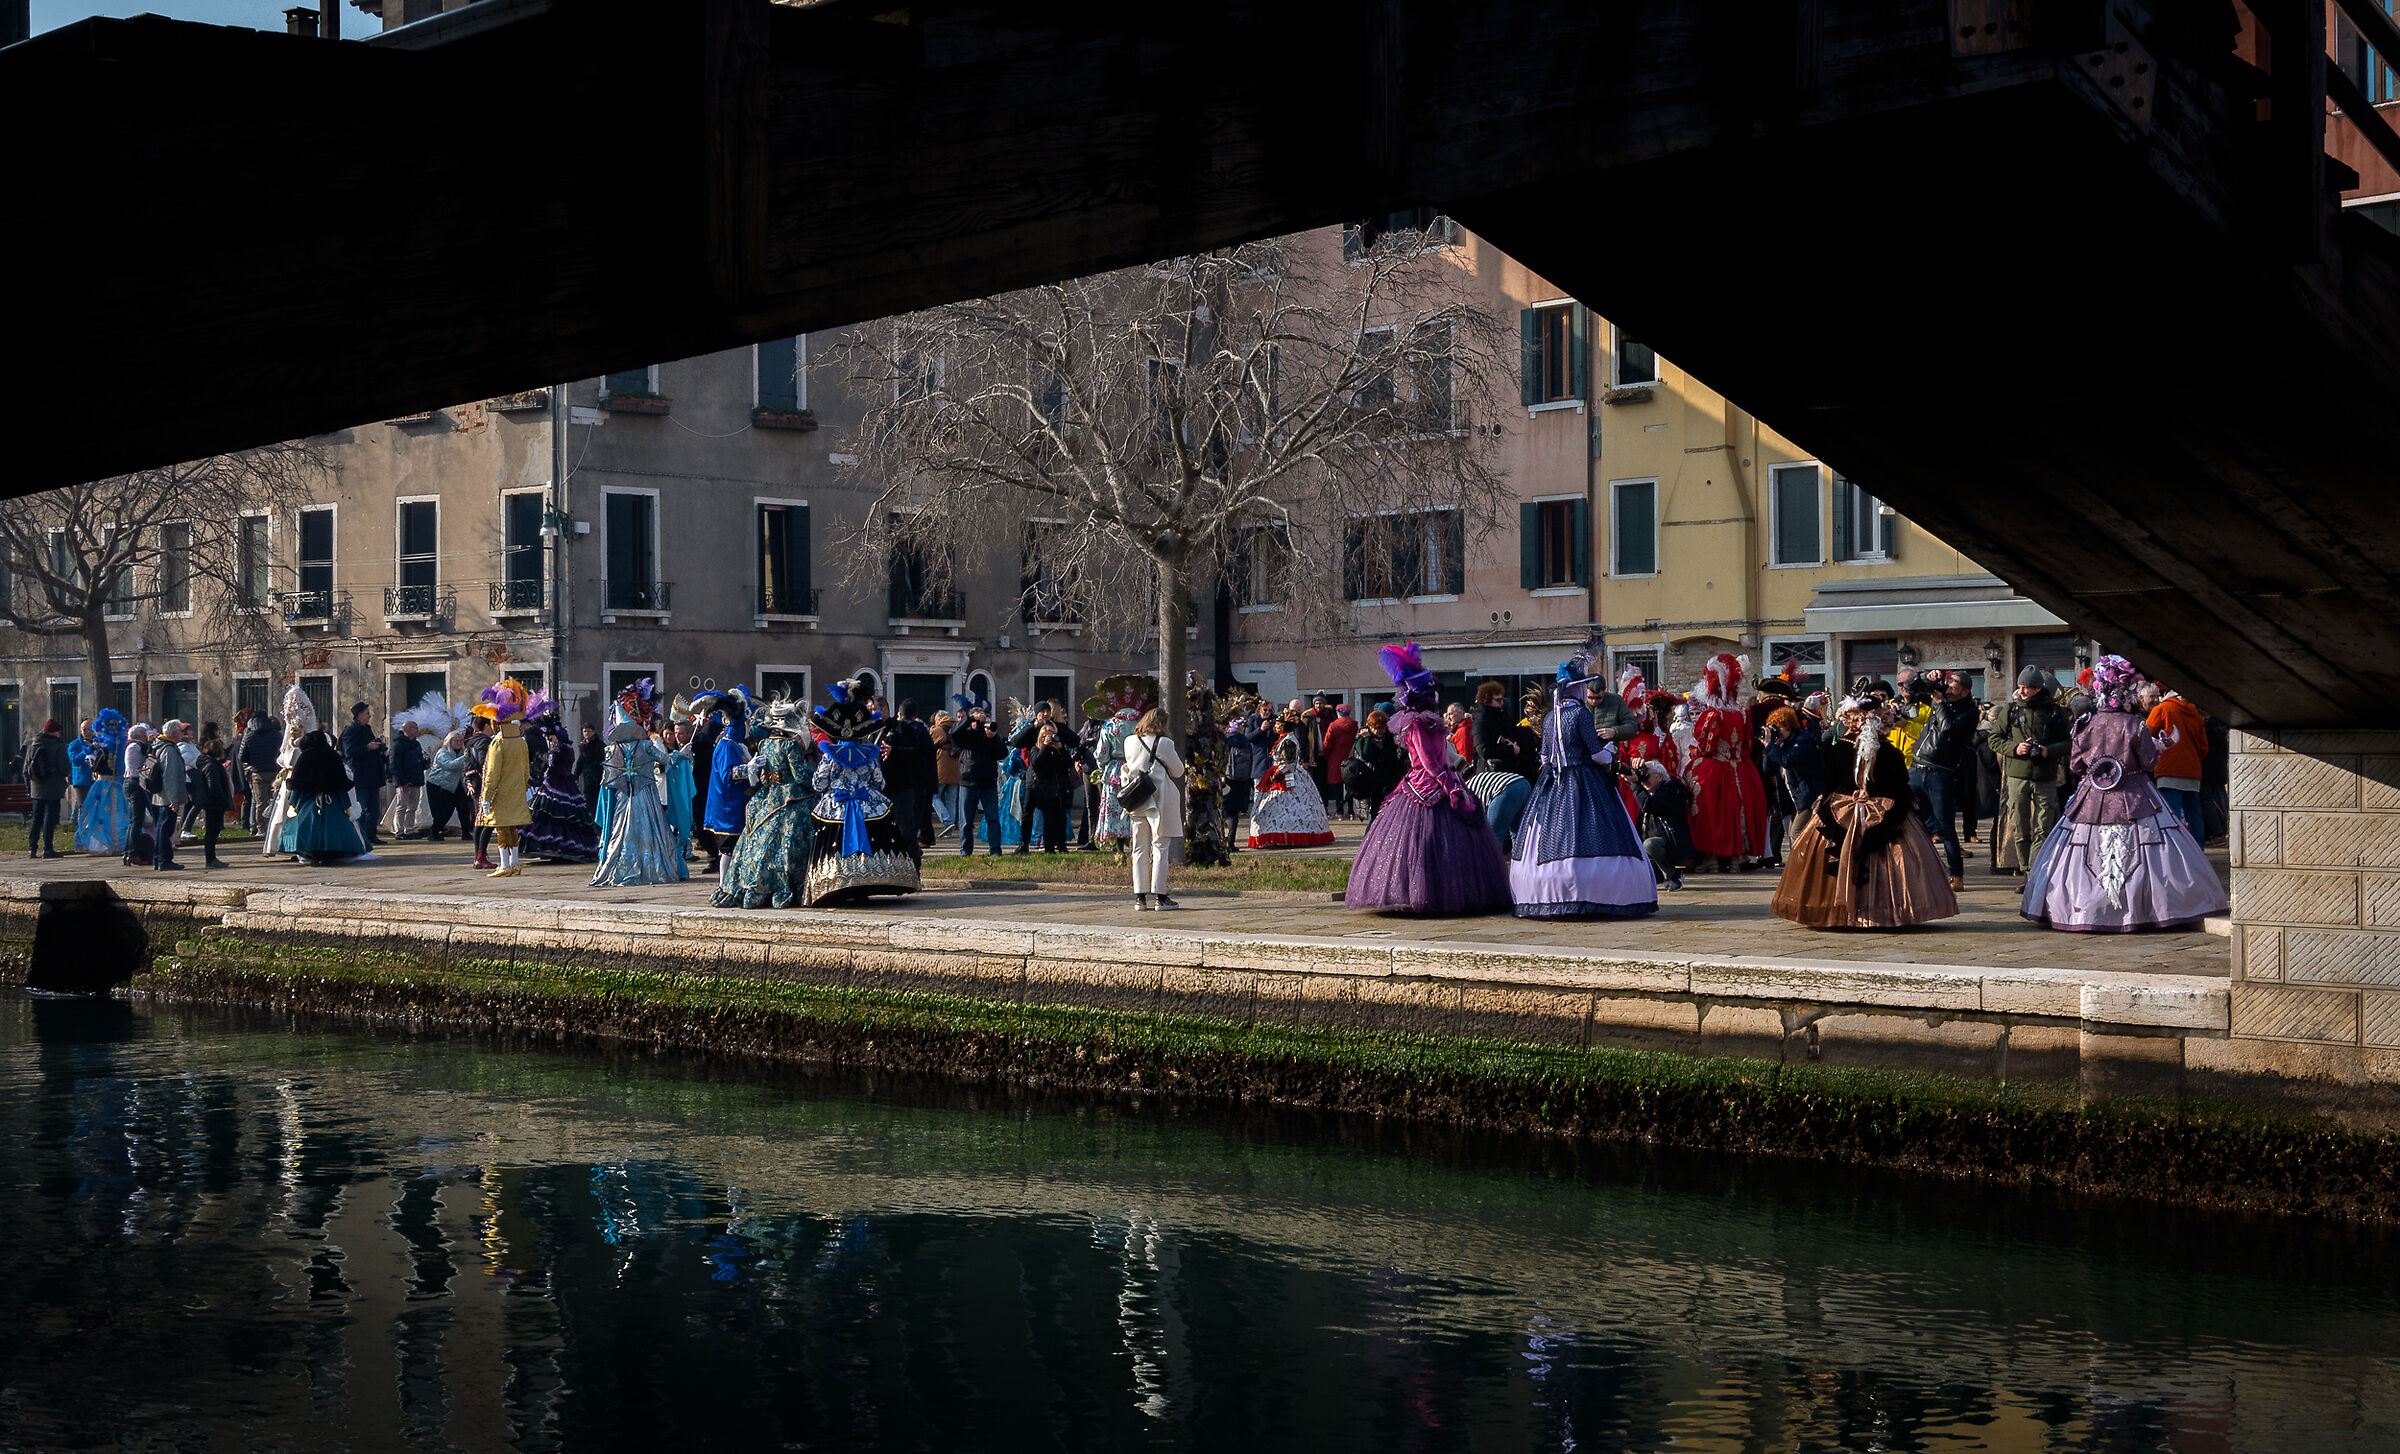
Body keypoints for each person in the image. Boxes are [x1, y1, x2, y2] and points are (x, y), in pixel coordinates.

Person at [2023, 656, 2228, 933]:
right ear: (2126, 693)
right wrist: (2157, 748)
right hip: (2135, 795)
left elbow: (2076, 765)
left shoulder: (2086, 724)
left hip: (2091, 796)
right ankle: (2147, 908)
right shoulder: (2135, 725)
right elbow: (2148, 762)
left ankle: (2079, 907)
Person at [1345, 643, 1511, 914]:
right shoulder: (1418, 723)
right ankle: (1423, 893)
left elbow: (1441, 759)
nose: (1436, 696)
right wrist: (1450, 785)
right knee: (1424, 841)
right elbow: (1429, 762)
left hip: (1440, 779)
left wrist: (1454, 777)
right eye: (1431, 692)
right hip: (1426, 785)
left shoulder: (1427, 721)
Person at [1770, 696, 1961, 930]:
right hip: (1883, 809)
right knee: (1891, 859)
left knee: (1830, 853)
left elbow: (1827, 784)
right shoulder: (1890, 753)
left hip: (1840, 808)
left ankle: (1837, 909)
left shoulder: (1836, 749)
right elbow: (1900, 788)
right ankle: (1883, 910)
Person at [1508, 644, 1658, 921]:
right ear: (1577, 688)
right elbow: (1595, 753)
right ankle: (1597, 893)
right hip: (1583, 780)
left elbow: (1545, 755)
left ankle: (1546, 893)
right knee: (1596, 831)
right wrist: (1610, 752)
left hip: (1552, 783)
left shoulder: (1551, 717)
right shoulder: (1580, 714)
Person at [799, 675, 922, 904]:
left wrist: (834, 787)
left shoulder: (830, 757)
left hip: (836, 806)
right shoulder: (870, 755)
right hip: (868, 804)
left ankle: (837, 887)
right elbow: (880, 783)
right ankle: (865, 886)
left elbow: (818, 784)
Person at [589, 680, 687, 888]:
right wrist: (682, 753)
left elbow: (607, 782)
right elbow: (667, 760)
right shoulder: (645, 746)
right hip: (645, 795)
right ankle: (653, 867)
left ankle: (620, 865)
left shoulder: (612, 750)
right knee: (650, 829)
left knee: (620, 830)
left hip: (623, 798)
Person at [1686, 653, 1770, 870]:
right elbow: (1747, 747)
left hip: (1715, 769)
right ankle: (1734, 860)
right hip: (1740, 769)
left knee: (1712, 814)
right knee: (1736, 813)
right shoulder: (1742, 714)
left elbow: (1706, 746)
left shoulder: (1713, 715)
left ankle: (1711, 859)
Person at [1988, 666, 2071, 875]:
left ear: (2039, 688)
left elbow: (2068, 742)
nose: (2023, 692)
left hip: (2045, 776)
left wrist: (2047, 751)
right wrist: (2015, 748)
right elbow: (1994, 739)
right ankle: (2025, 870)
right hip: (2017, 776)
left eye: (2028, 687)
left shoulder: (2055, 712)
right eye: (2021, 686)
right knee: (2019, 827)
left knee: (2043, 827)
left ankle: (2035, 872)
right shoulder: (2010, 710)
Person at [276, 689, 367, 864]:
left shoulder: (306, 756)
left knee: (306, 826)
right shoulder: (332, 756)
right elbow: (342, 781)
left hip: (309, 800)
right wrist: (346, 803)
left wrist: (293, 799)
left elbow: (297, 781)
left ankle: (311, 853)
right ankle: (331, 853)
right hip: (332, 799)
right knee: (335, 827)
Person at [1907, 670, 1978, 891]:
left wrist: (1939, 703)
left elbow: (1948, 729)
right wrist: (1925, 675)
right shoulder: (1941, 698)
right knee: (1905, 818)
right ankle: (1910, 869)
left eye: (1953, 683)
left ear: (1965, 690)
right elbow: (1911, 688)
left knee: (1945, 826)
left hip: (1940, 772)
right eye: (1948, 681)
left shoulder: (1970, 712)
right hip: (1917, 768)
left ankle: (1956, 875)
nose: (1948, 685)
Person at [1123, 706, 1187, 909]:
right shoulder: (1165, 743)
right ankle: (1160, 896)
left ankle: (1139, 898)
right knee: (1160, 847)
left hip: (1137, 798)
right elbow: (1178, 772)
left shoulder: (1129, 741)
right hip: (1159, 799)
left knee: (1139, 848)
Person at [472, 678, 537, 876]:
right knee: (512, 828)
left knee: (501, 828)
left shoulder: (497, 743)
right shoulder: (521, 742)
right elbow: (526, 769)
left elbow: (492, 772)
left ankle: (504, 865)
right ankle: (515, 863)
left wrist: (487, 797)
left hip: (500, 792)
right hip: (517, 790)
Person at [521, 710, 599, 863]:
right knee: (556, 816)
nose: (550, 740)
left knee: (557, 815)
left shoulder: (560, 748)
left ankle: (558, 848)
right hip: (562, 783)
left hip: (557, 783)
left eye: (551, 737)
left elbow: (551, 764)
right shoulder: (567, 747)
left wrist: (542, 756)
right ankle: (553, 849)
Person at [2140, 680, 2209, 843]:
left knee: (2172, 815)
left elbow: (2144, 737)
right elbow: (2204, 747)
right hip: (2192, 771)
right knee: (2194, 815)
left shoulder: (2162, 709)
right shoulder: (2196, 715)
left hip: (2168, 770)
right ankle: (2198, 850)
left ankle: (2174, 851)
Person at [1247, 725, 1335, 848]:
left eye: (1279, 724)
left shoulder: (1288, 740)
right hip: (1284, 773)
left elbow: (1288, 762)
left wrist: (1277, 774)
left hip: (1288, 775)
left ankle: (1292, 833)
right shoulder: (1284, 738)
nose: (1276, 726)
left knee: (1292, 801)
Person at [701, 693, 754, 885]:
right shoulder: (727, 746)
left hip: (737, 804)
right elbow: (727, 774)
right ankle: (723, 885)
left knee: (737, 846)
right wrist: (750, 768)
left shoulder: (736, 745)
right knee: (729, 848)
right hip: (728, 807)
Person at [73, 711, 132, 856]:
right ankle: (122, 843)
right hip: (119, 783)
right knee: (120, 813)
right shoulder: (123, 745)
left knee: (98, 815)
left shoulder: (103, 748)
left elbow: (95, 767)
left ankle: (103, 845)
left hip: (103, 784)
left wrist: (92, 753)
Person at [883, 699, 937, 849]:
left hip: (910, 778)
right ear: (916, 714)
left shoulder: (902, 729)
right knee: (921, 811)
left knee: (912, 813)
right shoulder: (921, 729)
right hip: (922, 777)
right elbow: (930, 752)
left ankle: (916, 840)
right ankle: (923, 837)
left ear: (900, 714)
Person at [950, 706, 1004, 855]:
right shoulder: (966, 736)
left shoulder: (991, 736)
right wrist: (970, 720)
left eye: (983, 719)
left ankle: (995, 850)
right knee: (966, 821)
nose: (981, 723)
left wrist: (993, 738)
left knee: (993, 819)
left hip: (988, 784)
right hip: (969, 782)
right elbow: (953, 733)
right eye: (978, 719)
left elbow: (1002, 753)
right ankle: (965, 851)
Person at [1637, 760, 1696, 890]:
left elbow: (1649, 805)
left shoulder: (1672, 790)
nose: (1644, 779)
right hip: (1653, 851)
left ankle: (1673, 875)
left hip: (1672, 844)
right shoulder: (1651, 791)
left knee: (1650, 844)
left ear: (1659, 776)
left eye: (1648, 775)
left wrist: (1635, 784)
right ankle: (1659, 875)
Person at [144, 720, 191, 870]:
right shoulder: (168, 749)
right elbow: (170, 776)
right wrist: (174, 799)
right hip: (167, 797)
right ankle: (164, 860)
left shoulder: (161, 745)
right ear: (174, 733)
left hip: (160, 796)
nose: (182, 734)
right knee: (166, 829)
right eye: (180, 731)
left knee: (161, 829)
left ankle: (159, 859)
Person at [1344, 708, 1402, 824]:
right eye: (1378, 728)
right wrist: (1367, 739)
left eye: (1384, 727)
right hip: (1372, 783)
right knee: (1375, 814)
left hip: (1389, 781)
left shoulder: (1389, 738)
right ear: (1370, 727)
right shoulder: (1363, 739)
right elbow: (1366, 756)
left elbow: (1393, 757)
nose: (1381, 731)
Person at [1028, 721, 1079, 853]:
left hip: (1061, 789)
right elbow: (1037, 763)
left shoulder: (1057, 750)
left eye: (1052, 735)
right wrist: (1045, 747)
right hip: (1046, 791)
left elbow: (1068, 763)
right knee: (1049, 821)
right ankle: (1049, 848)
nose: (1050, 738)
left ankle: (1062, 845)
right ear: (1042, 737)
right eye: (1046, 735)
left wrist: (1060, 748)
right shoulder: (1036, 749)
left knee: (1061, 820)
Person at [21, 719, 68, 859]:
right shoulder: (58, 746)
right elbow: (65, 768)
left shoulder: (34, 744)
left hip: (36, 787)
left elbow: (25, 769)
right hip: (53, 787)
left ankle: (32, 849)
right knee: (50, 818)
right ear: (55, 732)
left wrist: (29, 787)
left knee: (36, 818)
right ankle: (48, 848)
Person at [190, 727, 234, 869]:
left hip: (213, 802)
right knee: (212, 831)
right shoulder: (212, 766)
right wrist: (221, 798)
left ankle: (212, 858)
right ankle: (210, 859)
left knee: (213, 830)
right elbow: (213, 785)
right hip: (214, 803)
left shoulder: (210, 764)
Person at [663, 705, 700, 862]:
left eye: (680, 733)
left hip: (687, 789)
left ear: (689, 733)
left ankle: (686, 850)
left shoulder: (694, 745)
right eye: (675, 733)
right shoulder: (674, 748)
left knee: (686, 821)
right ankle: (676, 851)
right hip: (673, 791)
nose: (677, 736)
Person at [237, 708, 282, 835]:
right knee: (276, 800)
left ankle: (261, 829)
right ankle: (275, 828)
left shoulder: (249, 735)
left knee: (260, 802)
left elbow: (242, 756)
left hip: (258, 772)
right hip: (275, 771)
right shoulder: (276, 735)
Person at [423, 730, 470, 842]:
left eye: (460, 741)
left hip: (456, 785)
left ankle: (466, 832)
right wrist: (465, 757)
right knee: (443, 812)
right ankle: (434, 832)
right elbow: (449, 765)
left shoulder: (461, 753)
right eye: (456, 741)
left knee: (464, 808)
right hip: (438, 785)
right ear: (449, 741)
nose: (458, 743)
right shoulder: (443, 752)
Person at [348, 725, 388, 852]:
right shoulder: (351, 730)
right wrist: (367, 747)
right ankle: (360, 835)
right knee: (361, 808)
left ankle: (371, 834)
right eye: (366, 713)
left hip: (373, 776)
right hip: (361, 776)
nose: (369, 715)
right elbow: (349, 751)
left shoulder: (368, 729)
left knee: (373, 809)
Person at [389, 719, 428, 838]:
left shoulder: (416, 744)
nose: (417, 730)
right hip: (404, 782)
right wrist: (402, 781)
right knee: (402, 806)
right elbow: (394, 764)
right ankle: (399, 831)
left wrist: (425, 763)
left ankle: (409, 829)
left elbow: (418, 761)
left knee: (412, 807)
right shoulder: (398, 745)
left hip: (415, 780)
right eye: (414, 728)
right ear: (407, 730)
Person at [930, 708, 963, 843]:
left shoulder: (936, 731)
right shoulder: (958, 728)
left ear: (939, 720)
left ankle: (947, 821)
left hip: (940, 769)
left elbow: (927, 747)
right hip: (957, 768)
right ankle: (951, 824)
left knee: (934, 796)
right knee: (951, 798)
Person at [1321, 703, 1359, 819]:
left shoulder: (1334, 725)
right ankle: (1351, 811)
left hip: (1335, 758)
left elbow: (1327, 743)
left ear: (1338, 713)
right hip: (1350, 756)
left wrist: (1326, 756)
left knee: (1338, 786)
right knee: (1350, 784)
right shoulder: (1354, 725)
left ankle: (1339, 811)